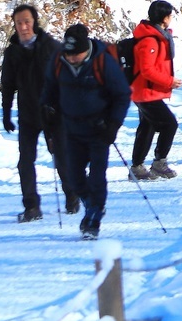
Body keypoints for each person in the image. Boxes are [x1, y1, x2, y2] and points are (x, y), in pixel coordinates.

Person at [41, 24, 132, 238]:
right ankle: (91, 205)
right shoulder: (58, 61)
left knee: (97, 177)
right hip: (71, 129)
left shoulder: (103, 62)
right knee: (74, 177)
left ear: (86, 49)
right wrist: (47, 111)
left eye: (76, 54)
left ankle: (94, 218)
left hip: (99, 129)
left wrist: (113, 125)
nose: (72, 58)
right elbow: (49, 89)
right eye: (69, 54)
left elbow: (122, 95)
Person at [0, 3, 71, 221]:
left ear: (35, 22)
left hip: (53, 113)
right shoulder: (12, 52)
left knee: (61, 158)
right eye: (19, 23)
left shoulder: (52, 47)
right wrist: (6, 114)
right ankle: (31, 206)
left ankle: (72, 194)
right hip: (28, 115)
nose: (23, 27)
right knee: (25, 161)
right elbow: (8, 85)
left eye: (27, 22)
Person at [129, 0, 182, 180]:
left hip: (144, 91)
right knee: (170, 124)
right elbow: (147, 69)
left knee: (147, 126)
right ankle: (159, 163)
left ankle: (137, 167)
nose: (171, 18)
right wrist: (169, 81)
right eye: (170, 15)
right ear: (164, 18)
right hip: (145, 92)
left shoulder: (156, 36)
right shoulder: (150, 39)